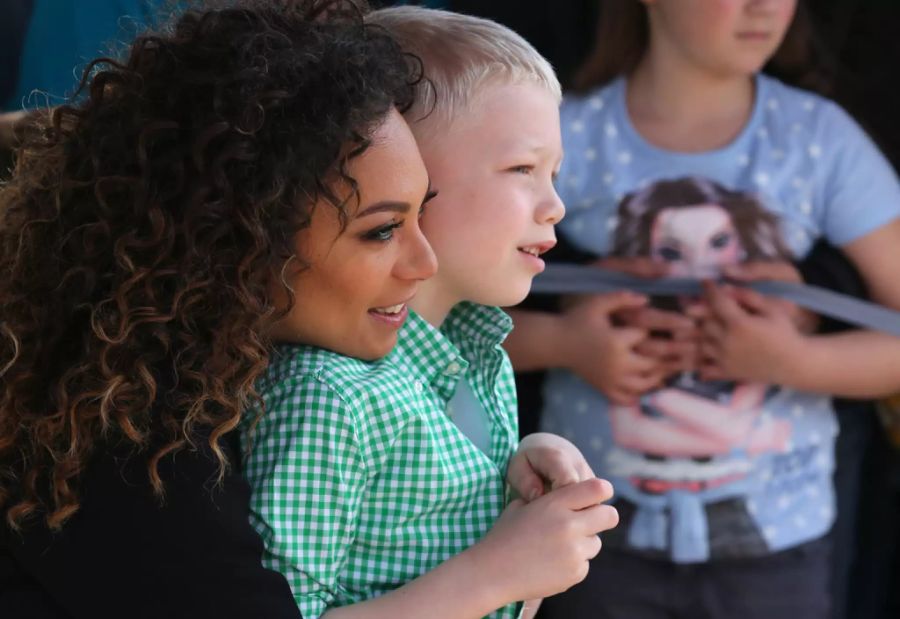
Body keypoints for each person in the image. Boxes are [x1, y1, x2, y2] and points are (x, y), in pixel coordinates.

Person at [0, 1, 441, 616]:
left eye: (425, 213)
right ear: (243, 240)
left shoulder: (182, 367)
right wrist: (501, 571)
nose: (426, 262)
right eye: (382, 230)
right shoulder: (133, 441)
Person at [504, 1, 900, 618]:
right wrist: (566, 342)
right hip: (587, 534)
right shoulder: (561, 134)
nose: (765, 5)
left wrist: (794, 359)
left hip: (779, 546)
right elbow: (436, 324)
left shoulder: (819, 140)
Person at [241, 6, 618, 619]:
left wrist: (518, 468)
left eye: (554, 172)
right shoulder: (328, 396)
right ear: (408, 173)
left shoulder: (482, 357)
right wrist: (496, 572)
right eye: (522, 169)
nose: (554, 206)